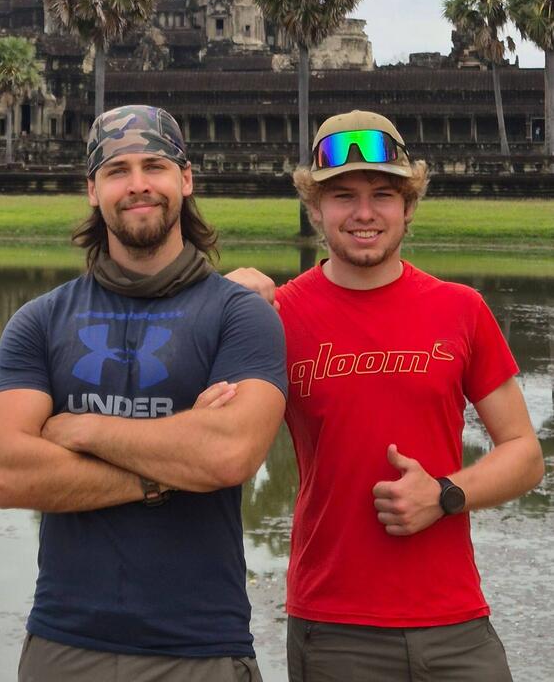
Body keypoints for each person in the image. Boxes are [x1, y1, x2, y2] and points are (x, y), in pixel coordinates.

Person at [228, 108, 544, 682]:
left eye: (382, 193)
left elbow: (524, 454)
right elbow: (207, 434)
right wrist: (210, 306)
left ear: (408, 205)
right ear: (316, 207)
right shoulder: (276, 318)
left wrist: (445, 493)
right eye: (343, 195)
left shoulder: (461, 309)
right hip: (334, 625)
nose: (364, 213)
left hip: (456, 624)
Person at [0, 104, 287, 680]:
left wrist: (81, 429)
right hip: (64, 641)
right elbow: (8, 474)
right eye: (117, 170)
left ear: (186, 179)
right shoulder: (40, 321)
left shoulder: (239, 316)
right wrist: (165, 468)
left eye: (155, 165)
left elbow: (228, 454)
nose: (138, 184)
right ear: (92, 190)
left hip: (201, 645)